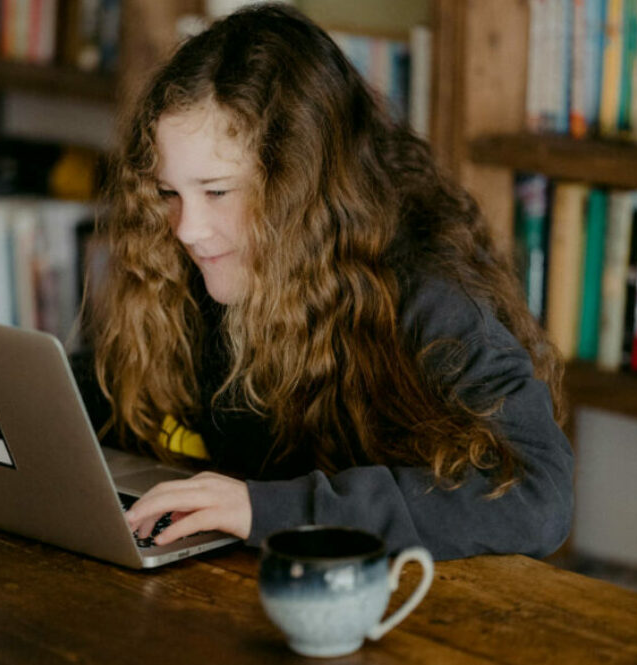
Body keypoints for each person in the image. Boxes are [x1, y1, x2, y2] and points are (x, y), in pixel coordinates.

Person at [71, 3, 573, 561]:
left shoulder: (430, 292)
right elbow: (105, 392)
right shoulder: (197, 267)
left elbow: (537, 496)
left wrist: (267, 509)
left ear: (301, 188)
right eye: (170, 193)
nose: (189, 230)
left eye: (218, 192)